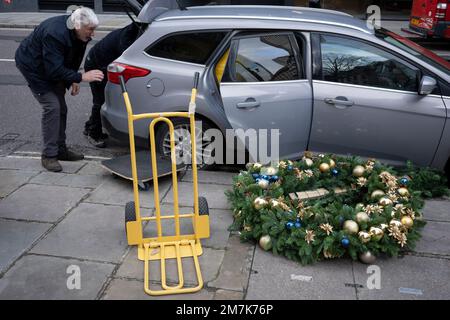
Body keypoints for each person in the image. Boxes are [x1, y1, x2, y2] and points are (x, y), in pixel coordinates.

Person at [15, 7, 104, 172]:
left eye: (94, 29)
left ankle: (60, 150)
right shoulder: (54, 34)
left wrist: (73, 78)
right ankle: (49, 156)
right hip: (34, 68)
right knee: (52, 107)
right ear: (77, 26)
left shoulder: (80, 33)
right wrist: (80, 77)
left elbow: (75, 56)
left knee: (61, 107)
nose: (93, 34)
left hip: (51, 66)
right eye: (90, 29)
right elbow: (53, 70)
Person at [83, 22, 141, 148]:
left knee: (103, 100)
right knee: (100, 101)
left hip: (103, 62)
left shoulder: (132, 32)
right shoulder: (126, 39)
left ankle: (89, 126)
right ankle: (94, 134)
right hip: (96, 65)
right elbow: (128, 61)